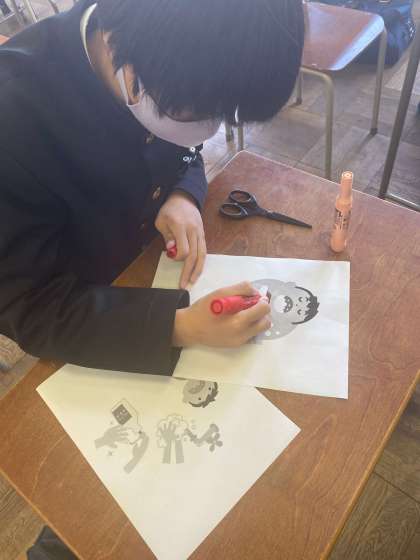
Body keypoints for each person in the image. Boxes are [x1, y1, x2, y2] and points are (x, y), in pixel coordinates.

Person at [0, 0, 304, 377]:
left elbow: (184, 149)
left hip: (144, 267)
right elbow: (30, 307)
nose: (209, 129)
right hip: (83, 316)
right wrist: (179, 327)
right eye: (200, 113)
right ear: (131, 71)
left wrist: (183, 194)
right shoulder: (14, 121)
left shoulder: (169, 67)